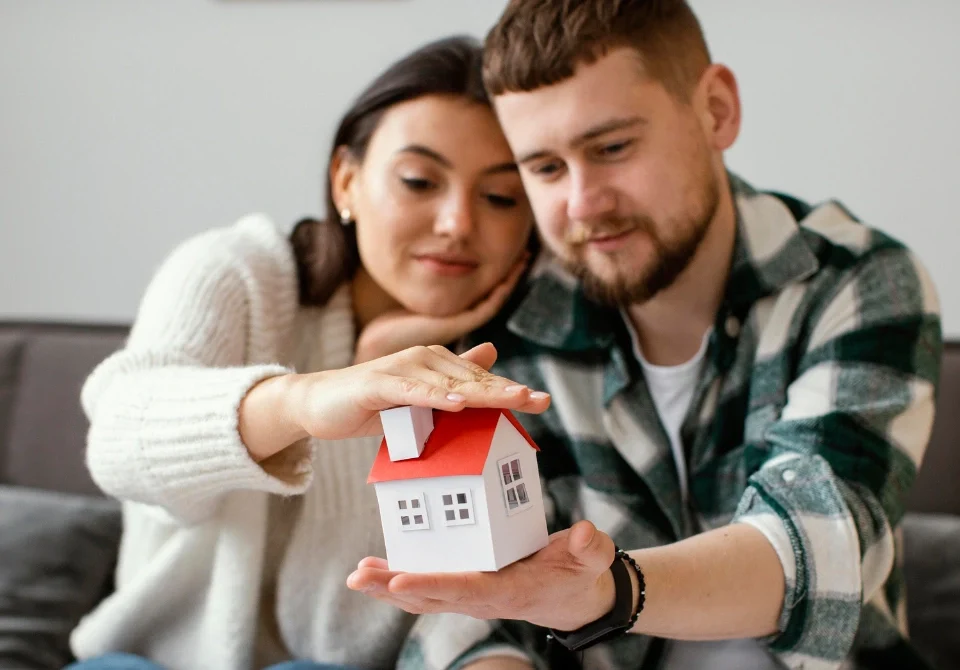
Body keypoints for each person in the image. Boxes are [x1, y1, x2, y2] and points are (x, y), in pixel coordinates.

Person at [348, 3, 943, 669]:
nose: (581, 203)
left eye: (611, 149)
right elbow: (481, 609)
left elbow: (817, 545)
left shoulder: (855, 281)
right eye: (544, 168)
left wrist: (608, 591)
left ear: (716, 110)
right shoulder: (513, 322)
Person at [66, 36, 552, 670]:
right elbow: (118, 438)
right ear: (345, 180)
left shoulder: (526, 362)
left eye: (499, 197)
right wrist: (307, 398)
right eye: (418, 181)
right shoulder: (238, 274)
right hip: (147, 661)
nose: (457, 222)